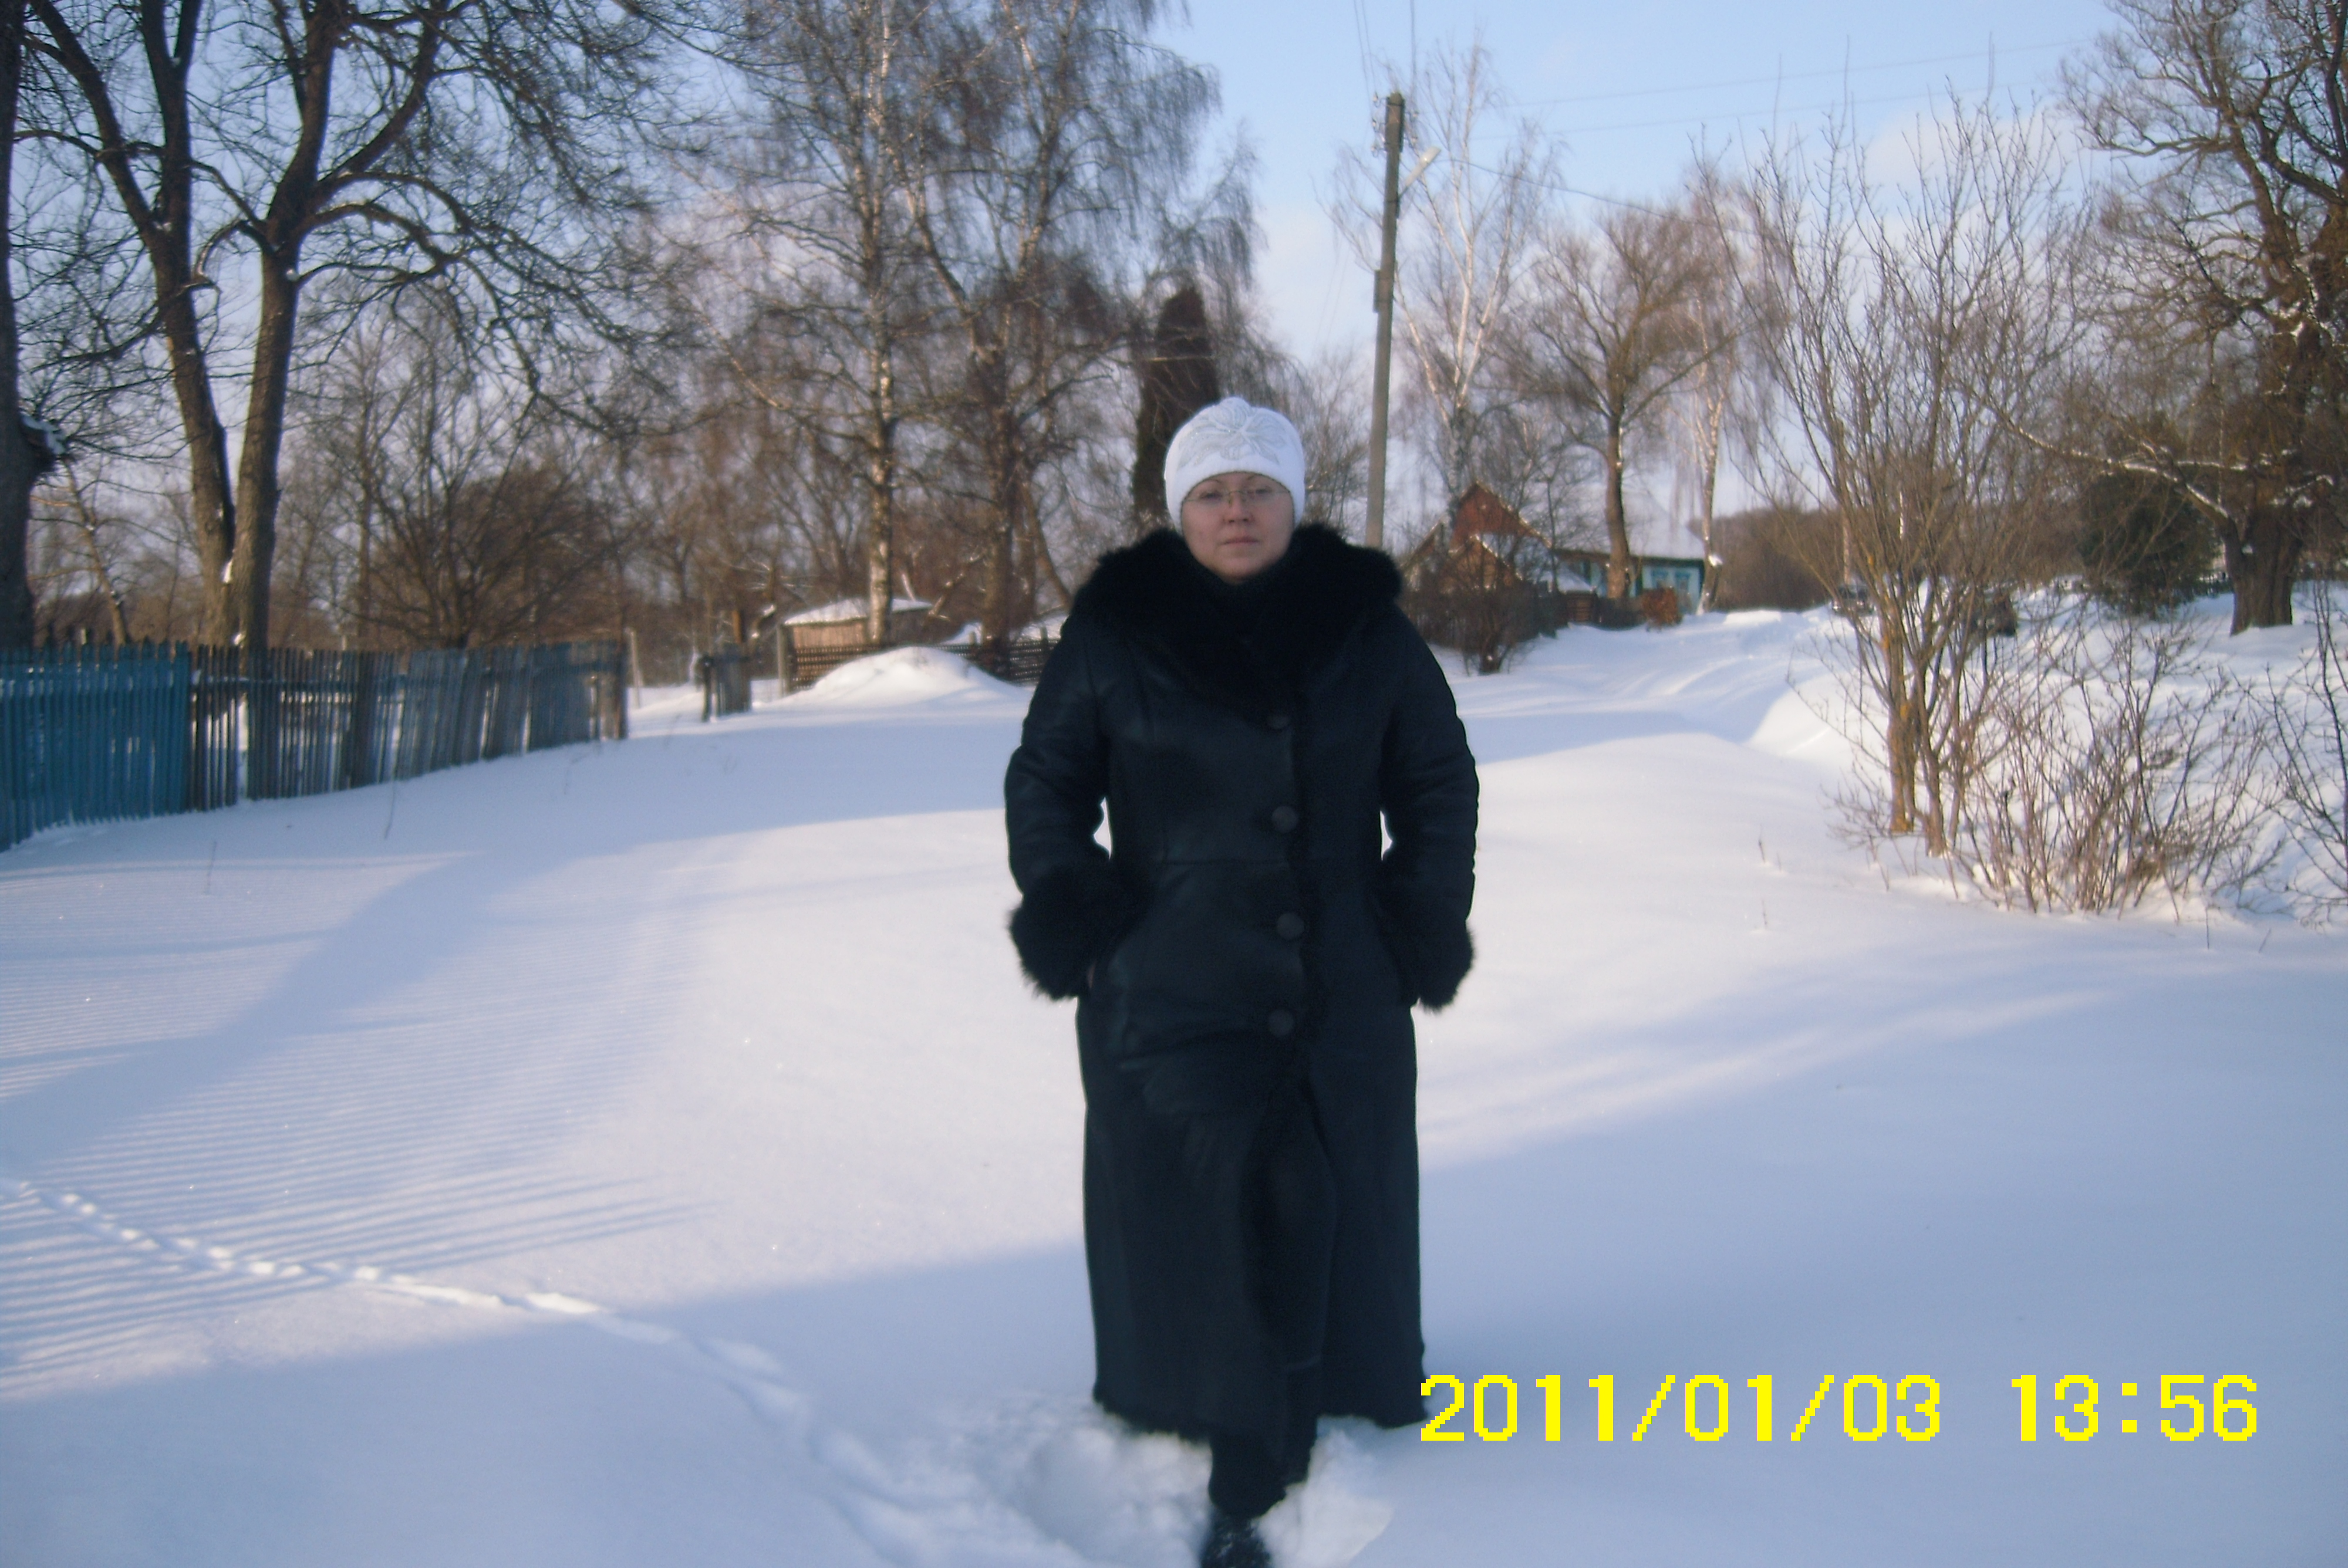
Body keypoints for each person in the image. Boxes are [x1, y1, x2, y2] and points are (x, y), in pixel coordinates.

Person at [1003, 397, 1479, 1567]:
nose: (1235, 511)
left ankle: (1286, 1440)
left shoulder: (1366, 630)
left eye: (1258, 489)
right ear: (1180, 511)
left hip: (1339, 977)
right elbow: (1046, 780)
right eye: (1211, 493)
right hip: (1166, 981)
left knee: (1322, 1194)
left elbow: (1435, 778)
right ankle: (1238, 1454)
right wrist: (1086, 917)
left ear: (1292, 502)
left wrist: (1412, 915)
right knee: (1209, 1207)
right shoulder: (1114, 633)